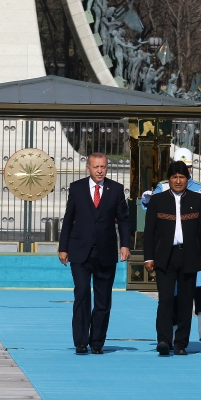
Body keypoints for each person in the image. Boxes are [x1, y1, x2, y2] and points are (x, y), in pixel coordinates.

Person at [141, 148, 201, 343]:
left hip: (192, 253)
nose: (179, 179)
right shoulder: (161, 190)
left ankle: (200, 329)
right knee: (167, 298)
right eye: (174, 176)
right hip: (166, 254)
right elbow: (150, 222)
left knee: (193, 294)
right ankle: (166, 338)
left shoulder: (200, 192)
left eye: (186, 171)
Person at [59, 152, 131, 355]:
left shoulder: (115, 190)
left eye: (103, 167)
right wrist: (63, 247)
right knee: (81, 295)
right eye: (96, 167)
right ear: (88, 168)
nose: (100, 170)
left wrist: (125, 245)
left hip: (106, 253)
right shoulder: (77, 188)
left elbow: (124, 220)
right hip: (80, 252)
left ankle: (97, 342)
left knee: (103, 300)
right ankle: (81, 342)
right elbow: (69, 218)